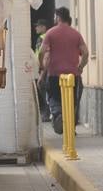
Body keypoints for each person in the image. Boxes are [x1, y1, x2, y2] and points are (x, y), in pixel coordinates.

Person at [40, 7, 88, 135]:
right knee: (72, 101)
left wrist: (41, 65)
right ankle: (70, 127)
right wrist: (81, 67)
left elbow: (41, 51)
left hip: (54, 74)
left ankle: (57, 115)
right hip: (73, 75)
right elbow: (86, 53)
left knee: (54, 98)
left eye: (55, 17)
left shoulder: (50, 33)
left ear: (58, 17)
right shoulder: (76, 34)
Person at [32, 19, 51, 121]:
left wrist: (40, 69)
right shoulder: (50, 37)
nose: (36, 28)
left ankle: (47, 112)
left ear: (44, 27)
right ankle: (49, 111)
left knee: (42, 87)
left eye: (38, 26)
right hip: (48, 67)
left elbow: (41, 54)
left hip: (43, 68)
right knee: (46, 89)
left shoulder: (42, 38)